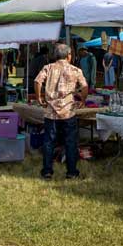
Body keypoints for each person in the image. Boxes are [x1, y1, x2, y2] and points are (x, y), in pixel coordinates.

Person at [34, 43, 88, 180]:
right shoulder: (75, 70)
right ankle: (71, 172)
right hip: (68, 111)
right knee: (70, 142)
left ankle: (47, 171)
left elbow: (37, 81)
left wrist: (39, 97)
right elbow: (85, 86)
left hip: (51, 111)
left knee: (49, 141)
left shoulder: (48, 67)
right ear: (69, 56)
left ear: (55, 55)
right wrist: (83, 99)